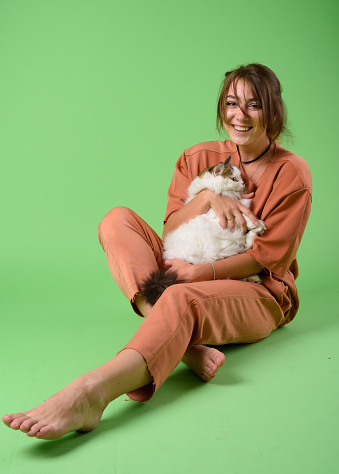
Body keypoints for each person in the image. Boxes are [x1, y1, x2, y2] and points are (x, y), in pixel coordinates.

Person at [2, 63, 312, 440]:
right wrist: (208, 198)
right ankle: (183, 344)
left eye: (254, 105)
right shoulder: (198, 156)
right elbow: (172, 229)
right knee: (116, 220)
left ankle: (91, 393)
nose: (239, 115)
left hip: (256, 289)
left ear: (273, 111)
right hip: (184, 262)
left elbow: (268, 259)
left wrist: (201, 274)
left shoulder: (292, 174)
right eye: (231, 102)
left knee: (181, 296)